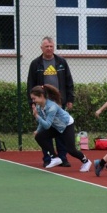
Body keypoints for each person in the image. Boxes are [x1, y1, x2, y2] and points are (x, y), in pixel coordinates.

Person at [27, 36, 75, 167]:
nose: (49, 49)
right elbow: (30, 84)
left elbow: (69, 81)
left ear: (54, 47)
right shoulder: (35, 64)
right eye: (46, 46)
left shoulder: (61, 62)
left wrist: (70, 99)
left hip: (59, 102)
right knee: (44, 131)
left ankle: (63, 158)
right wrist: (32, 102)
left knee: (60, 130)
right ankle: (48, 158)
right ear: (41, 48)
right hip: (43, 103)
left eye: (51, 46)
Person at [30, 84, 92, 172]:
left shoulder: (52, 107)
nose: (33, 101)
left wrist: (36, 116)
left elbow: (47, 125)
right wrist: (38, 130)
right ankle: (55, 158)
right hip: (56, 126)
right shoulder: (39, 106)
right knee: (39, 136)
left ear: (41, 96)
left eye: (34, 98)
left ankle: (86, 162)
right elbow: (43, 120)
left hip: (66, 125)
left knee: (71, 150)